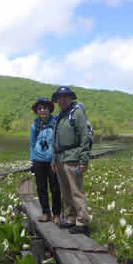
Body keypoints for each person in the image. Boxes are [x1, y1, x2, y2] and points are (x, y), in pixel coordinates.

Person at [51, 86, 91, 235]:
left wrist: (84, 160)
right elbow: (54, 141)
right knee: (66, 192)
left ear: (70, 98)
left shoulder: (77, 113)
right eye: (59, 97)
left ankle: (82, 222)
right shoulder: (59, 116)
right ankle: (71, 218)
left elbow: (84, 136)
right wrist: (53, 160)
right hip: (60, 159)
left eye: (65, 97)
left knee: (76, 191)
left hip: (74, 158)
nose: (62, 100)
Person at [29, 97, 62, 225]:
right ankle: (45, 212)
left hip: (53, 160)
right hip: (38, 160)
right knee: (41, 187)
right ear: (37, 111)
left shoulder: (55, 123)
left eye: (45, 108)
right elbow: (32, 144)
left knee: (55, 188)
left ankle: (57, 214)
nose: (42, 110)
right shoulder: (34, 126)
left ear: (49, 110)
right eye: (40, 108)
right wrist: (32, 160)